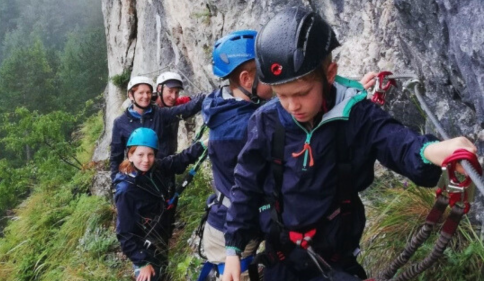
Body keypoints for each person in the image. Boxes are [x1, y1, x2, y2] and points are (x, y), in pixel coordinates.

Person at [221, 7, 477, 281]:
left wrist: (430, 151)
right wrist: (232, 249)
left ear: (330, 74)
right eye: (281, 95)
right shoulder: (267, 122)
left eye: (302, 93)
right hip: (282, 259)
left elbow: (394, 140)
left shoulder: (357, 115)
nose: (292, 105)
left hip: (335, 260)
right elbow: (245, 184)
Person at [200, 29, 273, 280]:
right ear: (245, 79)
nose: (276, 78)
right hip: (232, 230)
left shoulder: (222, 105)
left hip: (226, 219)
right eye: (267, 73)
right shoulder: (245, 126)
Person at [114, 127, 207, 281]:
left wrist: (203, 145)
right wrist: (142, 262)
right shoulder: (127, 190)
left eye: (150, 154)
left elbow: (177, 161)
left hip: (159, 240)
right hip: (145, 249)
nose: (146, 160)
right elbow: (125, 232)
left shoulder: (154, 169)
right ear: (130, 155)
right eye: (140, 155)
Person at [110, 75, 204, 181]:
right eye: (141, 93)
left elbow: (184, 110)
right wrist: (115, 182)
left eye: (148, 92)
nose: (145, 96)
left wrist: (203, 99)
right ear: (131, 95)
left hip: (163, 173)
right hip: (137, 178)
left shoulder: (160, 114)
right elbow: (116, 156)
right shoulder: (120, 123)